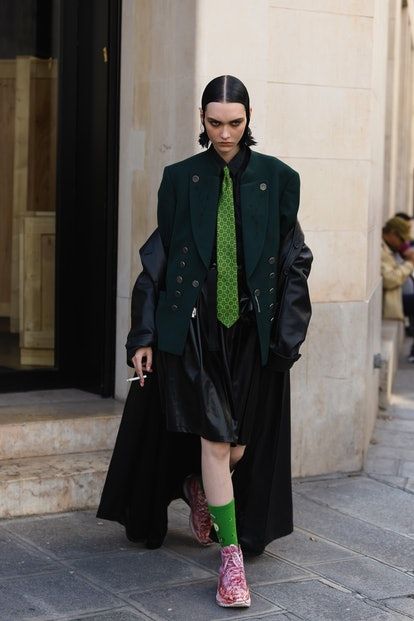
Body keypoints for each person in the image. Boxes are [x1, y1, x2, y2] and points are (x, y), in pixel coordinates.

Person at [97, 75, 313, 608]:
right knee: (217, 439)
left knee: (237, 443)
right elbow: (159, 257)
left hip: (252, 331)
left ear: (249, 116)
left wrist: (288, 335)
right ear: (201, 119)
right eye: (215, 123)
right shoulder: (179, 178)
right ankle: (231, 562)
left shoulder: (279, 178)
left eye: (234, 123)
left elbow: (294, 260)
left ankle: (198, 485)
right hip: (194, 328)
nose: (224, 133)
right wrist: (143, 333)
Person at [382, 217, 414, 361]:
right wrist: (409, 263)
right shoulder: (381, 249)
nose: (404, 244)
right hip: (395, 300)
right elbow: (390, 279)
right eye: (402, 240)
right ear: (393, 234)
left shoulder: (391, 248)